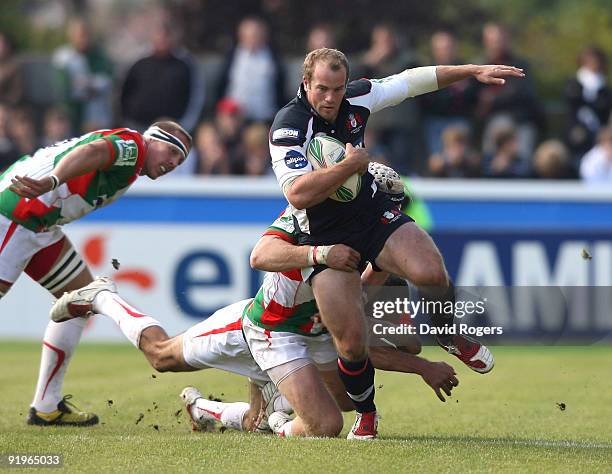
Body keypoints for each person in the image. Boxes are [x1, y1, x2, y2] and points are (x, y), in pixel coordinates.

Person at [268, 48, 519, 438]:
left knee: (431, 272)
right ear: (306, 84)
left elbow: (412, 81)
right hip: (322, 234)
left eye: (336, 88)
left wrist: (471, 70)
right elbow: (298, 195)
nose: (331, 98)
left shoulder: (357, 97)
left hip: (371, 215)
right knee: (351, 342)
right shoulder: (288, 126)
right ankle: (366, 414)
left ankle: (448, 333)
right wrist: (350, 166)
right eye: (322, 89)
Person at [48, 198, 459, 436]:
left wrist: (397, 291)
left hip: (307, 338)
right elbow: (354, 344)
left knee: (337, 408)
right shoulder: (327, 243)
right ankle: (103, 297)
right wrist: (421, 367)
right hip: (264, 331)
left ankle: (210, 412)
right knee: (161, 356)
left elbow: (399, 343)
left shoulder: (373, 261)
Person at [0, 120, 192, 426]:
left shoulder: (133, 156)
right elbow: (94, 151)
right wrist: (52, 180)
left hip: (39, 225)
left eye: (179, 160)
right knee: (82, 300)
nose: (172, 162)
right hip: (17, 215)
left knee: (79, 302)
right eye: (171, 151)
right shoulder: (134, 147)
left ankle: (46, 406)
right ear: (152, 140)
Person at [120, 20, 204, 133]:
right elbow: (124, 91)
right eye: (159, 35)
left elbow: (195, 96)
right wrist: (126, 120)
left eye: (166, 36)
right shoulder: (139, 61)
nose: (162, 39)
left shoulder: (184, 64)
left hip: (170, 131)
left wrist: (186, 125)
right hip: (137, 126)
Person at [52, 18, 114, 132]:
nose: (84, 39)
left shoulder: (100, 56)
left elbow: (108, 81)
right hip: (72, 110)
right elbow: (63, 86)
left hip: (96, 111)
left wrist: (89, 84)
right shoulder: (63, 57)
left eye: (86, 35)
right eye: (80, 35)